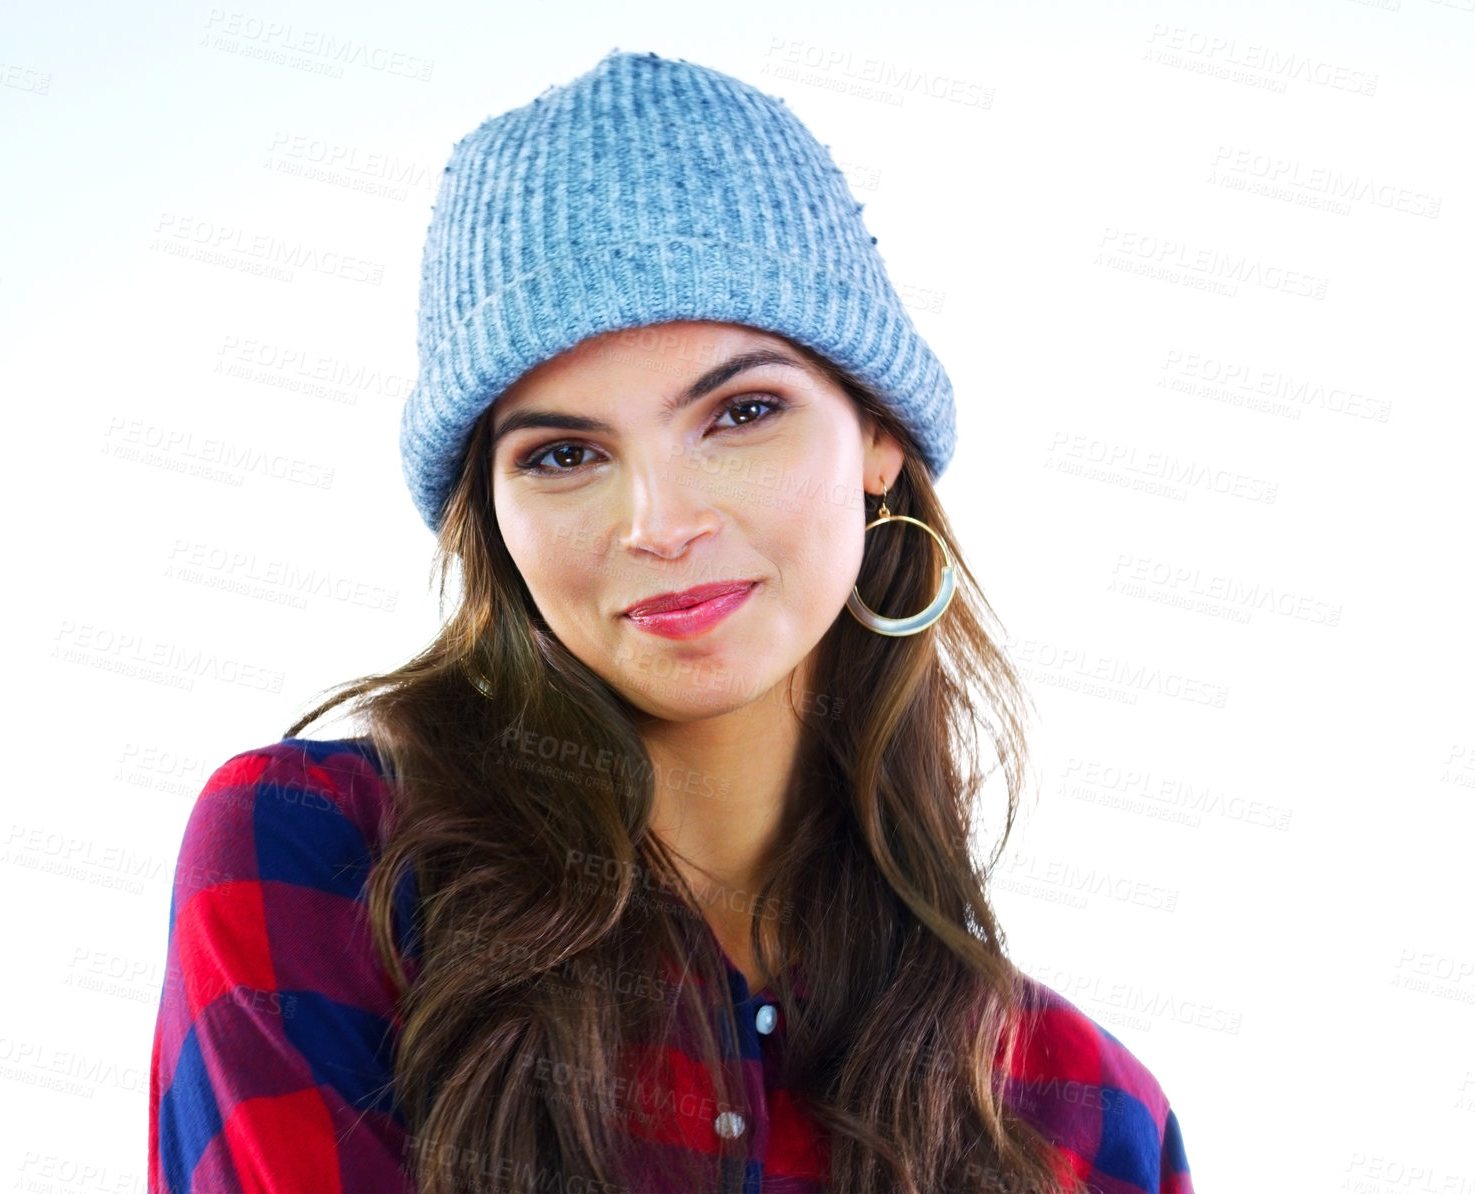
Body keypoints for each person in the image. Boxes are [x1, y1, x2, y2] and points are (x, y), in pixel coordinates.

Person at [148, 48, 1195, 1194]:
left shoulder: (1082, 1116)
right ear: (491, 515)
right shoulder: (320, 866)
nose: (659, 520)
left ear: (877, 438)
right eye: (562, 454)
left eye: (741, 412)